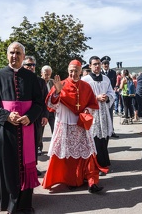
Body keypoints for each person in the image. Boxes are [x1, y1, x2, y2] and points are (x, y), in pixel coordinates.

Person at [0, 42, 43, 213]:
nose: (15, 56)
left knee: (25, 165)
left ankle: (25, 204)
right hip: (5, 129)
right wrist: (7, 116)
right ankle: (9, 203)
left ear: (23, 56)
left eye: (18, 53)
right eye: (12, 53)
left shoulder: (31, 78)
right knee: (7, 165)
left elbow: (39, 103)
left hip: (27, 127)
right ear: (7, 55)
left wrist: (29, 117)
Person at [42, 60, 105, 193]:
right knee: (68, 154)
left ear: (81, 71)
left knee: (88, 153)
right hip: (65, 124)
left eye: (76, 71)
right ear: (68, 71)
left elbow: (92, 103)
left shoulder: (86, 86)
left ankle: (92, 181)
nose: (73, 73)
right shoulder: (61, 84)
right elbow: (51, 104)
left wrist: (87, 110)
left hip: (81, 124)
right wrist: (57, 93)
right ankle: (71, 180)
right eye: (71, 71)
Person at [82, 56, 115, 173]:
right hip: (92, 112)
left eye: (98, 64)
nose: (97, 66)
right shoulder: (85, 80)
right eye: (94, 64)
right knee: (94, 138)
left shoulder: (106, 79)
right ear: (90, 66)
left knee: (104, 137)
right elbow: (82, 96)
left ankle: (103, 162)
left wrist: (107, 97)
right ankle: (95, 164)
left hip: (104, 111)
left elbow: (112, 93)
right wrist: (96, 97)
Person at [23, 56, 49, 160]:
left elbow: (45, 100)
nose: (31, 67)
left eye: (33, 65)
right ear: (23, 65)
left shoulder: (41, 81)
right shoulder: (18, 80)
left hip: (37, 117)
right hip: (23, 116)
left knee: (35, 141)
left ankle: (33, 166)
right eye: (28, 65)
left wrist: (45, 115)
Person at [101, 55, 119, 138]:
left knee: (110, 114)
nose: (106, 65)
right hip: (101, 97)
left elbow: (114, 84)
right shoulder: (99, 73)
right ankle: (103, 131)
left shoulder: (112, 73)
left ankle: (111, 131)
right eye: (104, 63)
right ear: (102, 64)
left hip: (109, 96)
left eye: (107, 63)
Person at [41, 65, 56, 134]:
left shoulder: (52, 82)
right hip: (42, 110)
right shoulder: (37, 82)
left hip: (51, 110)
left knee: (55, 129)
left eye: (49, 75)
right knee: (40, 131)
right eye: (46, 74)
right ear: (41, 73)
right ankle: (39, 144)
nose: (47, 76)